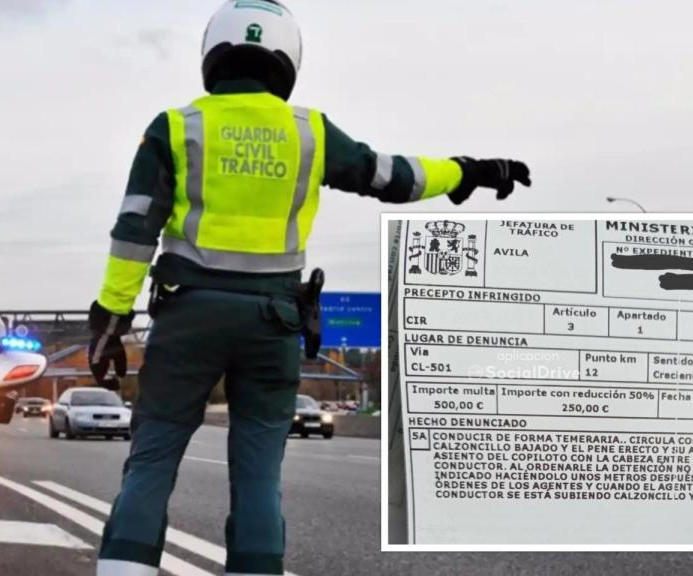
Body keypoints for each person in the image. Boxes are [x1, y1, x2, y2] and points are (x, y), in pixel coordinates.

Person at [87, 1, 531, 574]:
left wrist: (111, 318)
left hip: (188, 316)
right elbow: (392, 176)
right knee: (258, 473)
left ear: (212, 55)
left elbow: (135, 226)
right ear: (287, 59)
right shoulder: (310, 132)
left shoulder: (175, 127)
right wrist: (467, 170)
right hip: (273, 323)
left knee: (152, 459)